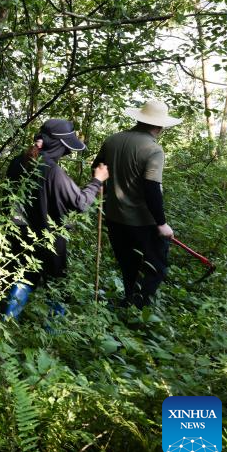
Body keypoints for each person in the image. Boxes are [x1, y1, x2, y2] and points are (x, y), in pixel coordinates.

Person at [2, 119, 109, 319]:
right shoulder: (53, 171)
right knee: (57, 282)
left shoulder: (19, 161)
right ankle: (54, 331)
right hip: (48, 238)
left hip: (18, 232)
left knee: (24, 276)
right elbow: (80, 202)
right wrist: (97, 181)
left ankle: (6, 323)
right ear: (59, 144)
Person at [93, 99, 181, 308]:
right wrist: (161, 223)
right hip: (143, 222)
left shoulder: (112, 140)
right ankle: (137, 308)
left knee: (128, 263)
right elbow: (152, 188)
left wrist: (105, 196)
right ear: (159, 126)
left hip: (115, 217)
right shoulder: (153, 150)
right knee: (155, 266)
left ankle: (128, 301)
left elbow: (96, 168)